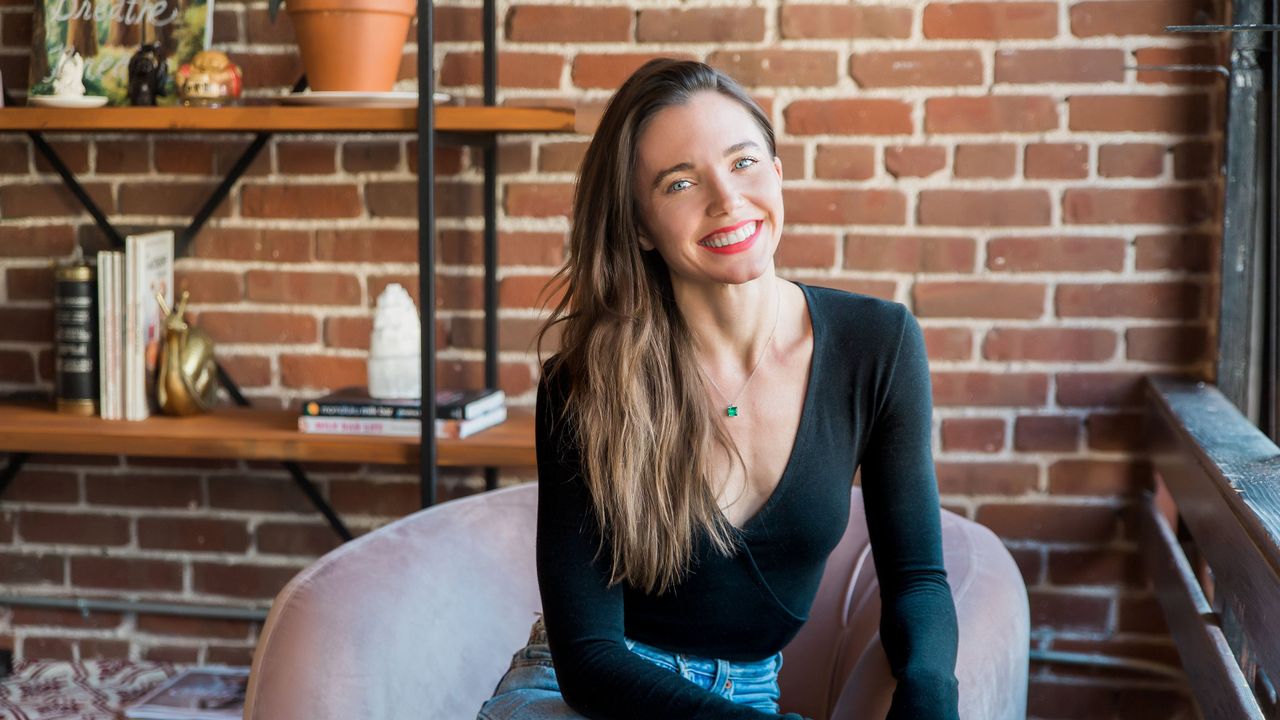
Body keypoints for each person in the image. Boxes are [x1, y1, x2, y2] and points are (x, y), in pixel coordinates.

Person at [477, 58, 959, 720]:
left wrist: (933, 698)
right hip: (585, 697)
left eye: (743, 163)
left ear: (777, 172)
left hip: (750, 691)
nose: (727, 199)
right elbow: (589, 659)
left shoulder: (878, 346)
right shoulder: (586, 382)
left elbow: (916, 582)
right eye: (680, 183)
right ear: (641, 225)